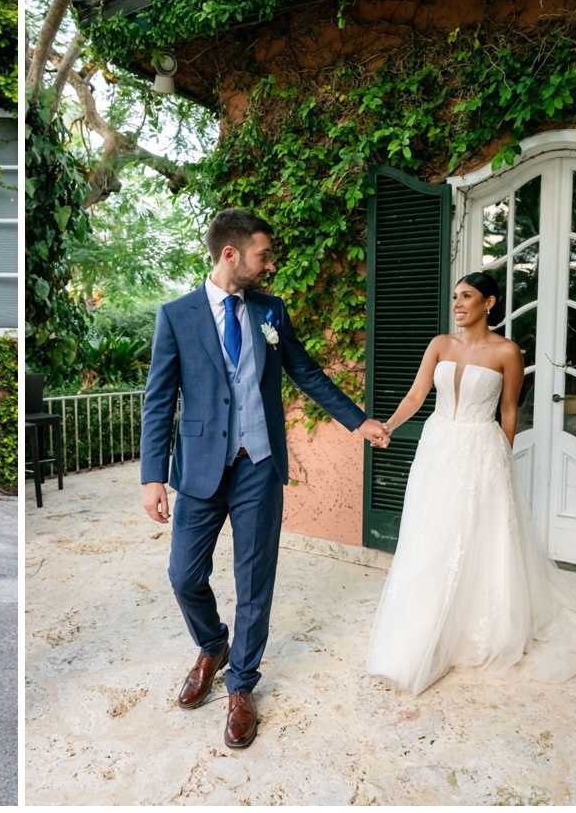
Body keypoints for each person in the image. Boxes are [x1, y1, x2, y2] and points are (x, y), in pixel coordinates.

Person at [140, 209, 391, 750]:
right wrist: (152, 477)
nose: (270, 264)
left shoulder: (270, 310)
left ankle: (241, 685)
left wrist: (357, 419)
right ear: (231, 255)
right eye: (263, 255)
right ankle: (212, 645)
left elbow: (304, 370)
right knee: (184, 575)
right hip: (200, 469)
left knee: (255, 582)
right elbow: (159, 401)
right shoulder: (176, 315)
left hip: (258, 465)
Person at [367, 272, 576, 693]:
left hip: (482, 449)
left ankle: (472, 625)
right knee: (432, 531)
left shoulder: (508, 352)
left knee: (477, 532)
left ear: (490, 303)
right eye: (455, 297)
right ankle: (422, 626)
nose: (458, 303)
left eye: (467, 296)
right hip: (438, 445)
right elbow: (416, 395)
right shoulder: (440, 345)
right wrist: (387, 426)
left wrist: (500, 461)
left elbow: (508, 413)